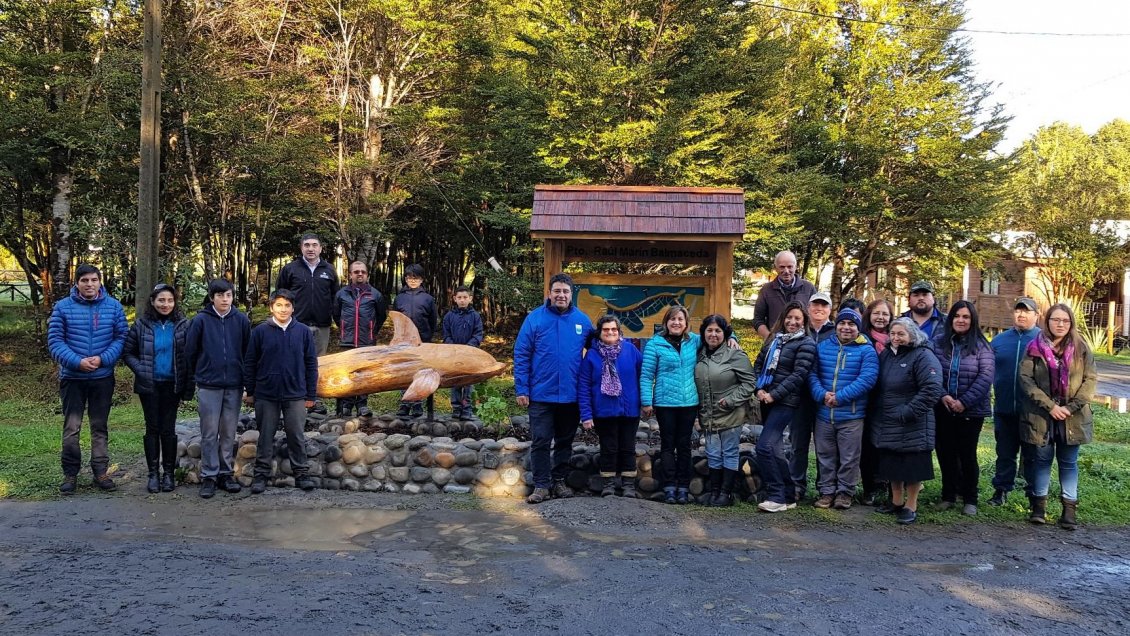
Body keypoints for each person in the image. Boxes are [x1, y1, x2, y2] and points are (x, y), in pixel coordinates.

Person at [47, 263, 129, 494]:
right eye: (85, 280)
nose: (90, 284)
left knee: (99, 426)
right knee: (72, 427)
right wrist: (77, 361)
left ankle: (100, 472)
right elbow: (55, 341)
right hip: (73, 377)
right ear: (77, 283)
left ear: (100, 281)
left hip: (102, 377)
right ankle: (70, 474)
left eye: (94, 280)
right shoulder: (63, 307)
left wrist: (103, 359)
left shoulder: (113, 307)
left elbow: (121, 337)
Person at [514, 273, 594, 504]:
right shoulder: (535, 319)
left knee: (564, 441)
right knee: (540, 440)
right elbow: (521, 354)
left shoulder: (582, 321)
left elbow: (597, 352)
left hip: (571, 395)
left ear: (571, 294)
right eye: (557, 291)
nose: (561, 295)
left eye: (565, 291)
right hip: (541, 394)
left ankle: (558, 481)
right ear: (549, 293)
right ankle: (541, 485)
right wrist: (522, 388)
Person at [1019, 303, 1097, 530]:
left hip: (1073, 418)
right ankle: (1039, 508)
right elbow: (1025, 380)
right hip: (1042, 415)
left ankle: (1069, 510)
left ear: (1071, 323)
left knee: (1068, 463)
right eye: (1056, 320)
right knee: (1042, 461)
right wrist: (1051, 406)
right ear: (1047, 321)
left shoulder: (1081, 348)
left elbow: (1089, 381)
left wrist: (1070, 408)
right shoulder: (1034, 347)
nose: (1060, 324)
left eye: (1065, 320)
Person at [244, 289, 319, 494]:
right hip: (266, 393)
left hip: (295, 393)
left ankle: (301, 473)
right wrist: (250, 390)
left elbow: (311, 364)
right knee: (266, 435)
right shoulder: (260, 331)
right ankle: (261, 475)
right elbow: (250, 362)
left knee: (296, 434)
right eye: (279, 305)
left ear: (293, 308)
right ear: (271, 307)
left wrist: (311, 394)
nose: (283, 309)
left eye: (287, 305)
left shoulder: (303, 331)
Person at [871, 318, 944, 525]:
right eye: (893, 333)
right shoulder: (887, 354)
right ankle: (895, 501)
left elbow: (932, 389)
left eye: (901, 334)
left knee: (913, 467)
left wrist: (908, 412)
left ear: (912, 335)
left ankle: (911, 505)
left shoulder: (923, 355)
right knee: (892, 464)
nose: (896, 338)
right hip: (889, 421)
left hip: (914, 422)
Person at [123, 284, 193, 494]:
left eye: (170, 300)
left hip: (172, 384)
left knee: (168, 429)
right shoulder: (142, 325)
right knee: (152, 428)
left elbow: (190, 354)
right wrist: (142, 370)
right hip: (149, 385)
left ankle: (169, 474)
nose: (166, 304)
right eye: (161, 300)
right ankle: (153, 474)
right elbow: (128, 353)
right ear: (153, 301)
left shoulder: (182, 325)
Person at [185, 278, 250, 498]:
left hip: (233, 384)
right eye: (220, 295)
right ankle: (209, 476)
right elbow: (190, 352)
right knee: (209, 432)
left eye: (229, 295)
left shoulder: (240, 320)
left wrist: (246, 382)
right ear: (212, 297)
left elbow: (247, 353)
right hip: (208, 385)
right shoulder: (201, 321)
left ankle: (225, 473)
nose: (225, 299)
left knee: (228, 432)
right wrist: (198, 376)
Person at [808, 307, 879, 510]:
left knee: (849, 458)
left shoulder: (866, 349)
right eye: (842, 323)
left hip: (851, 415)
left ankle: (845, 493)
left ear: (858, 327)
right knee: (825, 455)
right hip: (823, 414)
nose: (846, 328)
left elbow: (867, 379)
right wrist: (822, 395)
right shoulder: (823, 346)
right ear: (836, 325)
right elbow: (812, 374)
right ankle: (827, 492)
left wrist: (840, 397)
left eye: (851, 324)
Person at [933, 300, 995, 516]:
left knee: (967, 455)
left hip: (971, 411)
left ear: (972, 320)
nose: (961, 320)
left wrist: (963, 402)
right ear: (951, 319)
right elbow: (932, 372)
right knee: (945, 453)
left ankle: (970, 499)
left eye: (966, 317)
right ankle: (948, 496)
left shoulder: (982, 346)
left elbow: (985, 377)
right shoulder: (939, 343)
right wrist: (944, 396)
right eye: (957, 316)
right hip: (943, 407)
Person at [752, 302, 815, 512]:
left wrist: (774, 394)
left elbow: (798, 375)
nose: (792, 322)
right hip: (765, 398)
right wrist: (758, 389)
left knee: (764, 446)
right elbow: (758, 365)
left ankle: (776, 495)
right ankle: (789, 495)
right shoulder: (773, 339)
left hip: (785, 402)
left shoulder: (806, 343)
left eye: (797, 318)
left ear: (804, 321)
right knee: (776, 450)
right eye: (789, 317)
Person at [695, 314, 758, 507]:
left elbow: (750, 383)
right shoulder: (700, 353)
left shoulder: (735, 354)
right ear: (703, 333)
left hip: (730, 412)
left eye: (718, 331)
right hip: (709, 413)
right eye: (709, 330)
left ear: (725, 333)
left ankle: (726, 493)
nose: (713, 334)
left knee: (729, 452)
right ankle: (714, 491)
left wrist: (731, 400)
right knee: (713, 452)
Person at [641, 305, 701, 505]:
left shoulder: (693, 341)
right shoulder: (655, 344)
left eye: (680, 319)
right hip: (665, 402)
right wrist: (646, 401)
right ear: (666, 322)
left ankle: (683, 486)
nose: (676, 322)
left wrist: (733, 338)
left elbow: (717, 331)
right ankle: (668, 486)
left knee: (684, 446)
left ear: (686, 323)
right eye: (672, 319)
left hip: (689, 402)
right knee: (668, 445)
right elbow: (647, 375)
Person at [579, 315, 642, 498]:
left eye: (613, 329)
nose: (610, 332)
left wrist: (646, 401)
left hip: (629, 410)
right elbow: (584, 386)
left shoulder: (631, 350)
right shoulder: (591, 355)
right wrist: (586, 414)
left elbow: (643, 376)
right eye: (606, 329)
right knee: (609, 447)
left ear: (619, 331)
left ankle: (629, 485)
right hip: (604, 411)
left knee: (627, 447)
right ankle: (608, 484)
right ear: (599, 333)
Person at [987, 297, 1041, 506]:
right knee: (1005, 454)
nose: (1021, 315)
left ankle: (1034, 497)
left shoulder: (1043, 340)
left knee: (1032, 456)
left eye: (1027, 311)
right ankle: (1001, 491)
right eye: (1018, 311)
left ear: (1036, 315)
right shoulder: (999, 341)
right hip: (1004, 408)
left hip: (1033, 412)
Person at [788, 290, 835, 502]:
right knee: (798, 443)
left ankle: (825, 488)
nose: (819, 309)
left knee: (826, 446)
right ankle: (796, 484)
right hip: (799, 396)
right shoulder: (799, 331)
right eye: (815, 305)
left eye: (824, 305)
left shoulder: (836, 332)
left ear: (830, 310)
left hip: (826, 396)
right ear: (808, 308)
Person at [333, 260, 386, 417]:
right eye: (356, 272)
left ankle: (362, 404)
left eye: (363, 271)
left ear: (367, 274)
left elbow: (381, 316)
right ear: (350, 274)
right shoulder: (341, 294)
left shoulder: (375, 294)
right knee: (347, 374)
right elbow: (336, 314)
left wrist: (371, 331)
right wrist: (344, 328)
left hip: (366, 341)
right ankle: (347, 404)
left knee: (364, 374)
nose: (360, 274)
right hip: (347, 341)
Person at [275, 233, 339, 356]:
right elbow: (280, 295)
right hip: (296, 324)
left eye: (314, 245)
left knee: (320, 363)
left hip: (322, 325)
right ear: (301, 248)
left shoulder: (329, 269)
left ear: (320, 248)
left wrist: (332, 316)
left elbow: (335, 296)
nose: (311, 249)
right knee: (294, 359)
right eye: (307, 245)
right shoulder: (290, 269)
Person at [860, 298, 896, 504]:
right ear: (869, 316)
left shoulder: (897, 339)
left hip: (890, 400)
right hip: (868, 400)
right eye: (876, 313)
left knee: (890, 445)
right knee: (869, 446)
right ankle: (869, 488)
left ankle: (892, 488)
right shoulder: (862, 339)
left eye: (885, 314)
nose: (881, 317)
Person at [393, 263, 438, 418]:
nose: (412, 280)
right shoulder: (399, 298)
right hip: (403, 342)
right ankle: (405, 403)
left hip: (422, 341)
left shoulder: (428, 299)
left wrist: (426, 337)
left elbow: (433, 321)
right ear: (405, 279)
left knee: (420, 372)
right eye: (409, 277)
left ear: (421, 280)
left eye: (416, 278)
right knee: (404, 372)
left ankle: (418, 404)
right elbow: (396, 319)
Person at [442, 285, 484, 420]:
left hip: (469, 355)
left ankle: (466, 408)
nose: (462, 300)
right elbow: (446, 334)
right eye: (459, 298)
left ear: (470, 299)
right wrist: (452, 347)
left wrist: (469, 347)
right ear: (454, 299)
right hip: (453, 355)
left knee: (468, 382)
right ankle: (456, 408)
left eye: (465, 297)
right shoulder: (449, 316)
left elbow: (478, 334)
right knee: (455, 381)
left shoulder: (475, 316)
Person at [753, 250, 817, 339]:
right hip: (776, 343)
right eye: (782, 267)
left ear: (796, 267)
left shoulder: (809, 288)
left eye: (790, 267)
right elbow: (758, 320)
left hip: (803, 342)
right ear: (775, 268)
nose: (786, 271)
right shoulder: (766, 290)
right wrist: (769, 338)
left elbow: (816, 316)